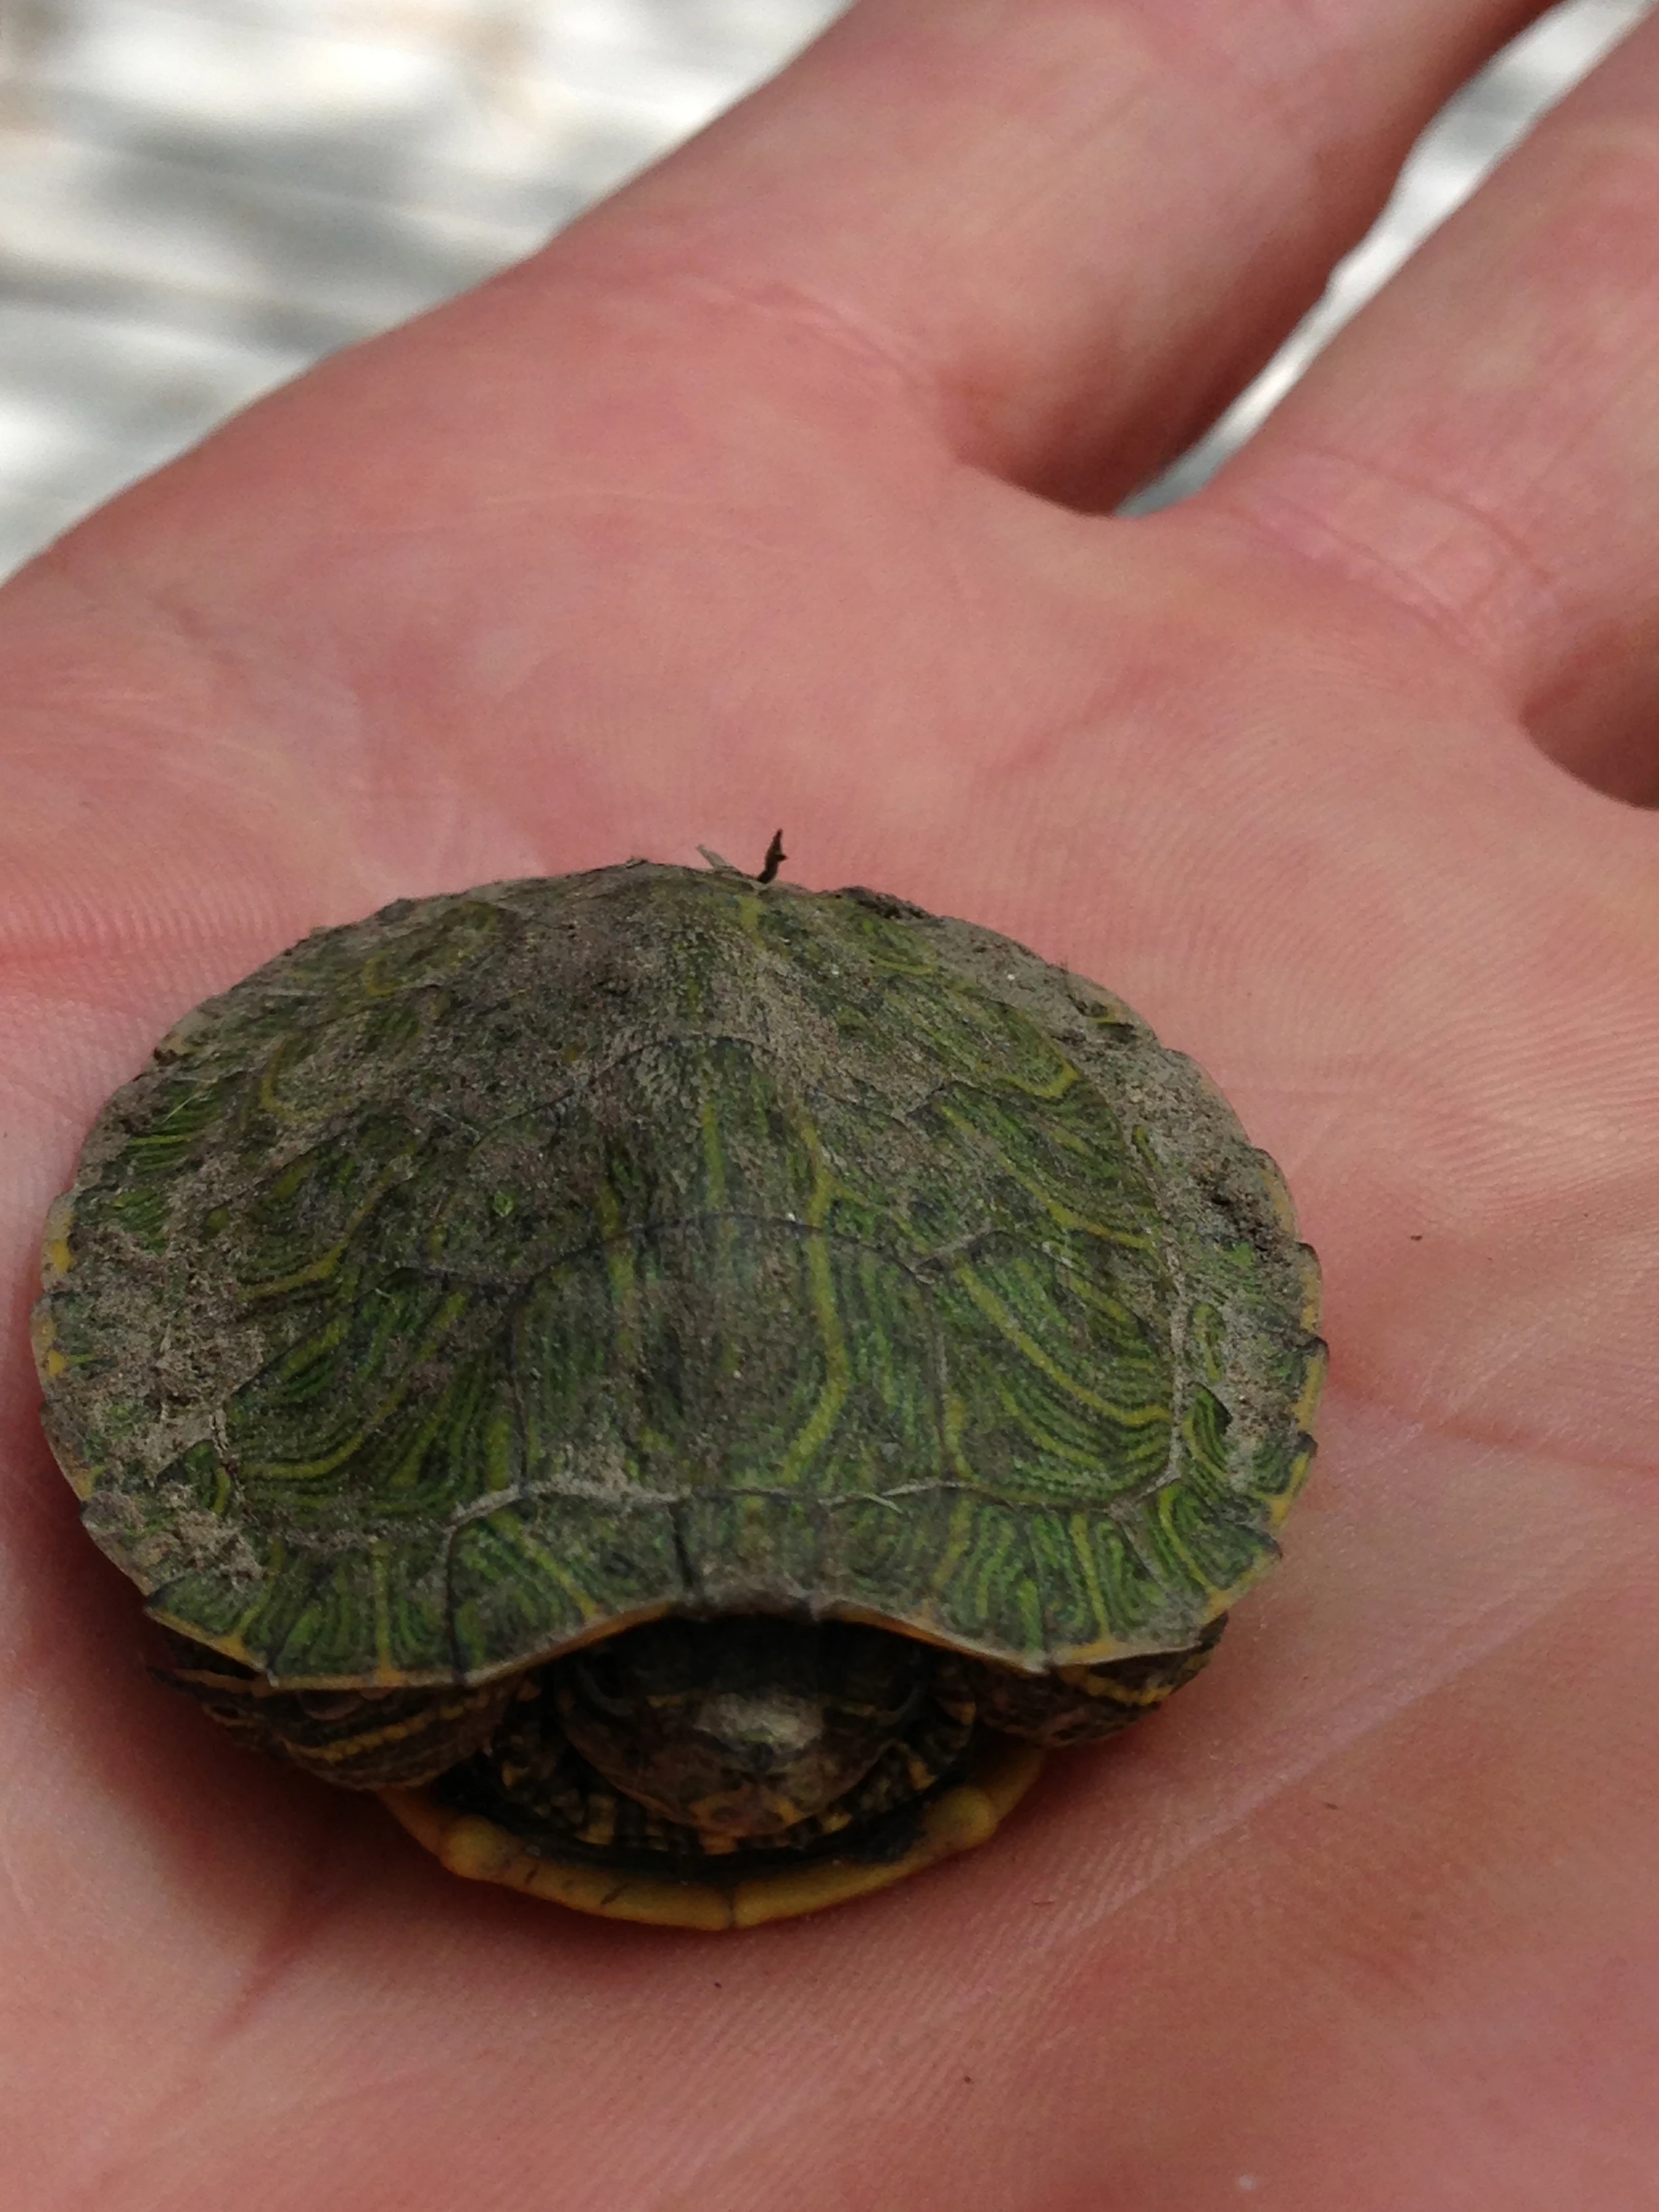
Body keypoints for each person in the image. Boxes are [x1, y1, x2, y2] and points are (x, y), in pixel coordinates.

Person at [5, 1, 1657, 2200]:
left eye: (738, 1739)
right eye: (711, 1736)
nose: (749, 1766)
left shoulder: (1016, 1663)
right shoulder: (424, 1698)